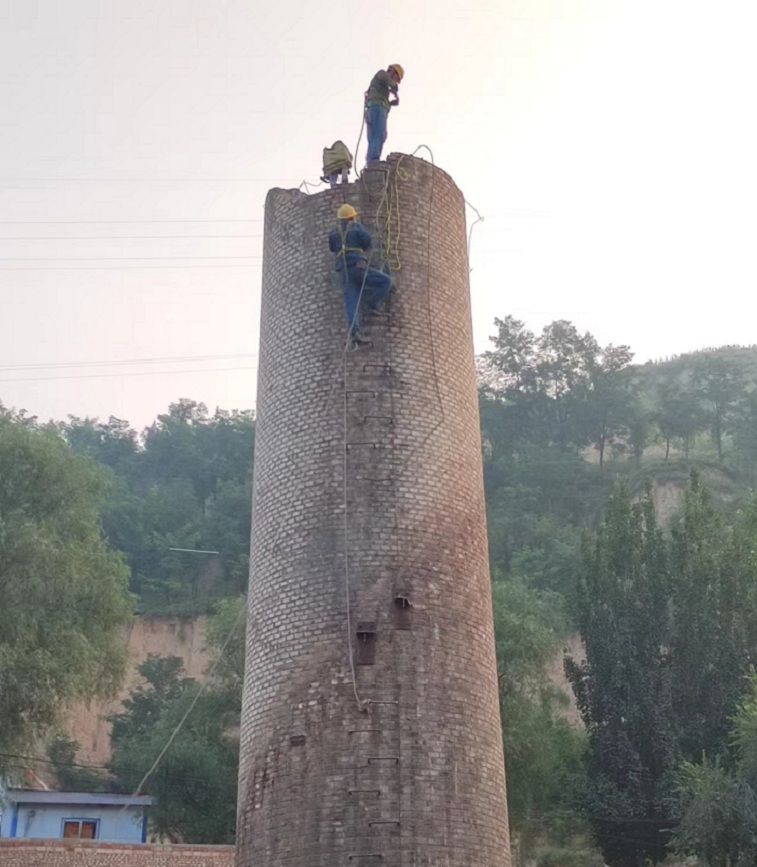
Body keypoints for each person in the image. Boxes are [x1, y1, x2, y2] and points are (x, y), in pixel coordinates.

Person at [328, 204, 392, 346]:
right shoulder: (356, 227)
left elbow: (332, 248)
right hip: (358, 266)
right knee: (386, 281)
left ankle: (355, 332)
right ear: (352, 217)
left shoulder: (333, 232)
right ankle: (371, 303)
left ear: (340, 218)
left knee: (351, 302)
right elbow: (367, 241)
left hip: (344, 270)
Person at [364, 64, 404, 165]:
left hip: (372, 109)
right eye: (396, 78)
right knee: (380, 134)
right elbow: (392, 85)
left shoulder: (380, 84)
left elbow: (388, 87)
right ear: (393, 71)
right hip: (377, 108)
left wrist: (391, 103)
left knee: (373, 137)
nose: (396, 81)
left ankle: (370, 162)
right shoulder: (382, 74)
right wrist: (394, 90)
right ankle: (373, 160)